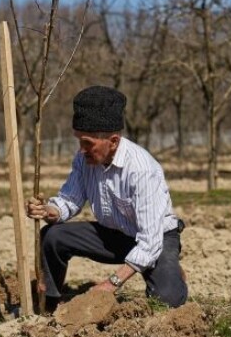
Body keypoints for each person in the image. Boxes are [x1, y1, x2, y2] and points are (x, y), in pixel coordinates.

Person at [26, 86, 188, 312]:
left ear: (113, 141)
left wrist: (110, 284)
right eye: (79, 142)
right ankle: (50, 303)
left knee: (167, 299)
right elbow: (69, 200)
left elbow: (149, 242)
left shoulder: (141, 170)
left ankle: (168, 269)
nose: (82, 150)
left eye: (87, 143)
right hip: (114, 236)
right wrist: (48, 211)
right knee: (53, 236)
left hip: (155, 239)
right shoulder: (85, 159)